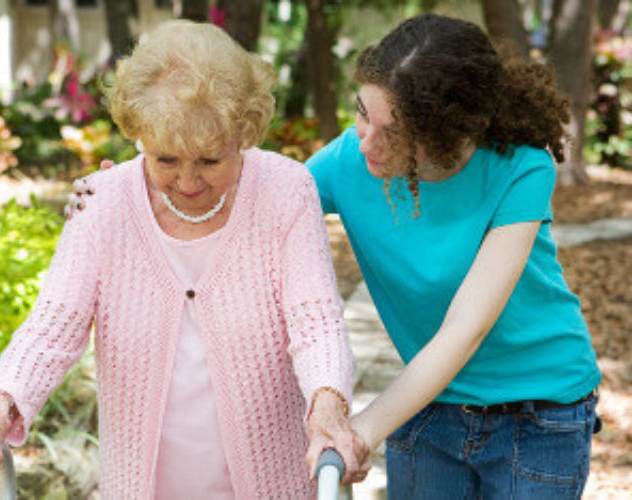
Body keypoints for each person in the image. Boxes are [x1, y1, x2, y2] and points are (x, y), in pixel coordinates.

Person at [68, 13, 602, 499]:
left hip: (539, 415)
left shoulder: (521, 168)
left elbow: (465, 330)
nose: (366, 140)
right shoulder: (351, 159)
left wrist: (358, 430)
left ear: (443, 136)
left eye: (392, 134)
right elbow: (250, 186)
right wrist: (119, 191)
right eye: (362, 114)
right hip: (425, 409)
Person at [0, 20, 371, 499]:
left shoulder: (287, 191)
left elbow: (316, 322)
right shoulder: (100, 204)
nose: (187, 182)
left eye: (209, 160)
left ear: (244, 133)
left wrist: (329, 409)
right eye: (165, 159)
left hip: (272, 482)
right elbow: (51, 328)